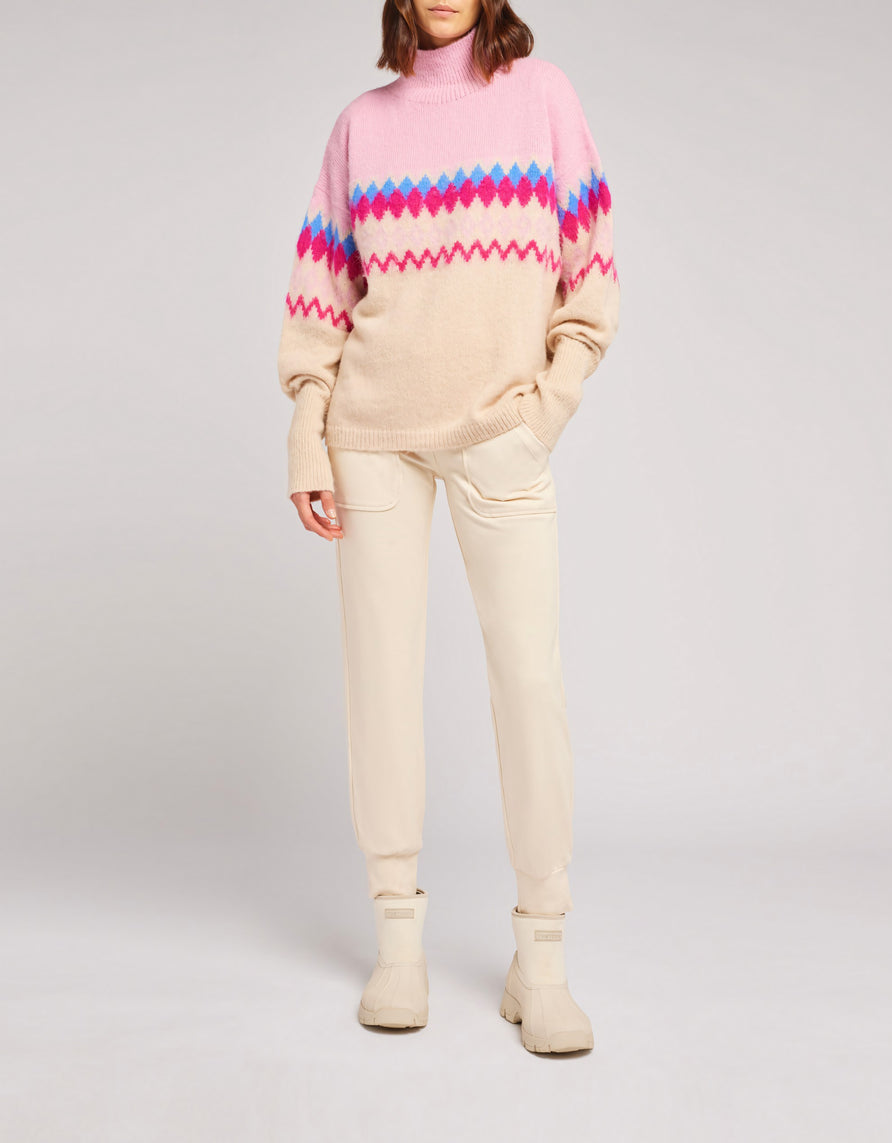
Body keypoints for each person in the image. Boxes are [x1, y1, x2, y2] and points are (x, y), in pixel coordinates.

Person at [276, 0, 620, 1055]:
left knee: (529, 686)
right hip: (370, 435)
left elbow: (591, 274)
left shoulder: (544, 98)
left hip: (499, 436)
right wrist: (307, 427)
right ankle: (398, 943)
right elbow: (321, 291)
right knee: (381, 684)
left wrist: (544, 413)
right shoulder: (361, 126)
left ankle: (542, 958)